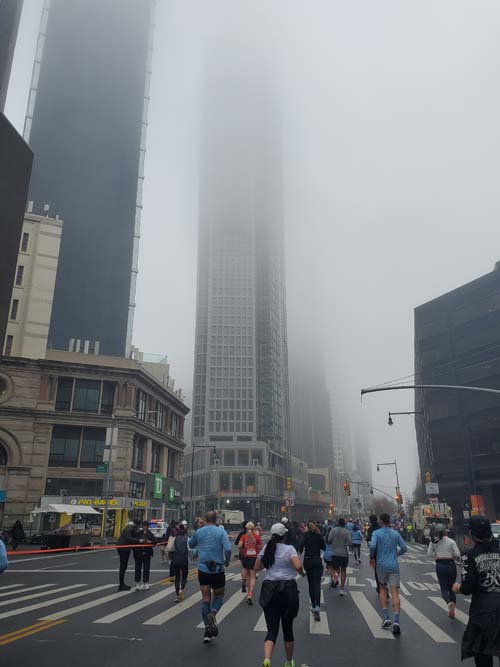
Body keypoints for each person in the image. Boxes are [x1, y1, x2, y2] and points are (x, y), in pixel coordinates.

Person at [255, 522, 306, 667]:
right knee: (287, 629)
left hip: (270, 590)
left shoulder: (267, 548)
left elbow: (257, 567)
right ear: (285, 536)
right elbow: (298, 566)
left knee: (271, 630)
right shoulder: (289, 549)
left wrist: (270, 562)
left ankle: (267, 660)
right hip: (288, 590)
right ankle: (289, 662)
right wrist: (302, 573)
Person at [452, 516, 500, 667]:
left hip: (482, 614)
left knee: (483, 657)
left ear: (472, 534)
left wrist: (458, 588)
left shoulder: (468, 556)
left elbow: (468, 588)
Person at [188, 510, 232, 643]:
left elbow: (190, 545)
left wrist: (197, 549)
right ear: (217, 519)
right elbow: (228, 549)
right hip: (218, 569)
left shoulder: (199, 531)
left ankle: (207, 630)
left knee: (205, 599)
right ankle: (213, 613)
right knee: (218, 596)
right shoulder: (221, 532)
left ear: (205, 520)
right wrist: (227, 561)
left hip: (203, 570)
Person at [369, 513, 407, 635]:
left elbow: (373, 545)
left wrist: (371, 557)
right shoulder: (395, 534)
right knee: (395, 591)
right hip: (394, 565)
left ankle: (386, 618)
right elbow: (404, 548)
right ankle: (396, 621)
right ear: (389, 521)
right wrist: (397, 554)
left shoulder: (376, 533)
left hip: (381, 565)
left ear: (381, 521)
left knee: (382, 589)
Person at [427, 522, 461, 618]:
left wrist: (437, 555)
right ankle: (453, 604)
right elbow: (458, 554)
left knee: (444, 587)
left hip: (440, 565)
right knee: (452, 587)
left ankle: (449, 603)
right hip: (451, 565)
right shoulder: (451, 541)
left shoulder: (433, 542)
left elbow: (429, 554)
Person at [301, 520, 326, 621]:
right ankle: (317, 608)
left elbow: (300, 546)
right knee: (317, 585)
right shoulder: (318, 535)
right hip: (317, 560)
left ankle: (313, 604)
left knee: (311, 584)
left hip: (308, 561)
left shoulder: (305, 535)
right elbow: (324, 547)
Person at [116, 518, 145, 591]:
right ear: (136, 524)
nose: (138, 527)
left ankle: (122, 584)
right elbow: (129, 538)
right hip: (123, 548)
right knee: (123, 565)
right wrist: (138, 540)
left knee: (124, 565)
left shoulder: (131, 527)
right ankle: (121, 584)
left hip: (125, 548)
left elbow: (132, 535)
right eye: (138, 526)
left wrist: (138, 532)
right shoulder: (129, 527)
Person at [238, 521, 263, 604]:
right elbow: (261, 547)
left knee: (247, 576)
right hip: (254, 558)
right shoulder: (256, 537)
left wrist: (242, 550)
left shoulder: (243, 537)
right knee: (253, 576)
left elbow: (239, 546)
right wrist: (257, 547)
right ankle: (250, 594)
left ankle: (248, 593)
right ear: (253, 529)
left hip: (245, 557)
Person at [326, 517, 352, 596]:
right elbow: (350, 543)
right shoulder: (346, 532)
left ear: (338, 523)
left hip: (335, 553)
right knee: (343, 571)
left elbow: (329, 540)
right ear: (344, 523)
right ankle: (342, 589)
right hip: (344, 554)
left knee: (336, 569)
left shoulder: (333, 530)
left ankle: (336, 576)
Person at [133, 520, 156, 591]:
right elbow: (134, 541)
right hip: (138, 553)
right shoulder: (138, 534)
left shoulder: (150, 534)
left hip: (147, 553)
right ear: (142, 526)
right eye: (144, 526)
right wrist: (139, 541)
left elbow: (155, 541)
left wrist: (150, 542)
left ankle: (146, 583)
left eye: (147, 526)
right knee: (138, 568)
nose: (146, 527)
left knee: (146, 568)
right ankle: (137, 583)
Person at [172, 523, 189, 602]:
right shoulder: (187, 539)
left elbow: (173, 547)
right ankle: (181, 589)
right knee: (184, 576)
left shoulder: (176, 538)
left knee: (177, 577)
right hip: (184, 559)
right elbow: (189, 549)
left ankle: (176, 595)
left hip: (175, 559)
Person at [234, 520, 248, 592]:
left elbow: (236, 543)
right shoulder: (254, 534)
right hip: (253, 554)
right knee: (252, 570)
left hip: (243, 553)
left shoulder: (241, 534)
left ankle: (243, 581)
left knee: (243, 568)